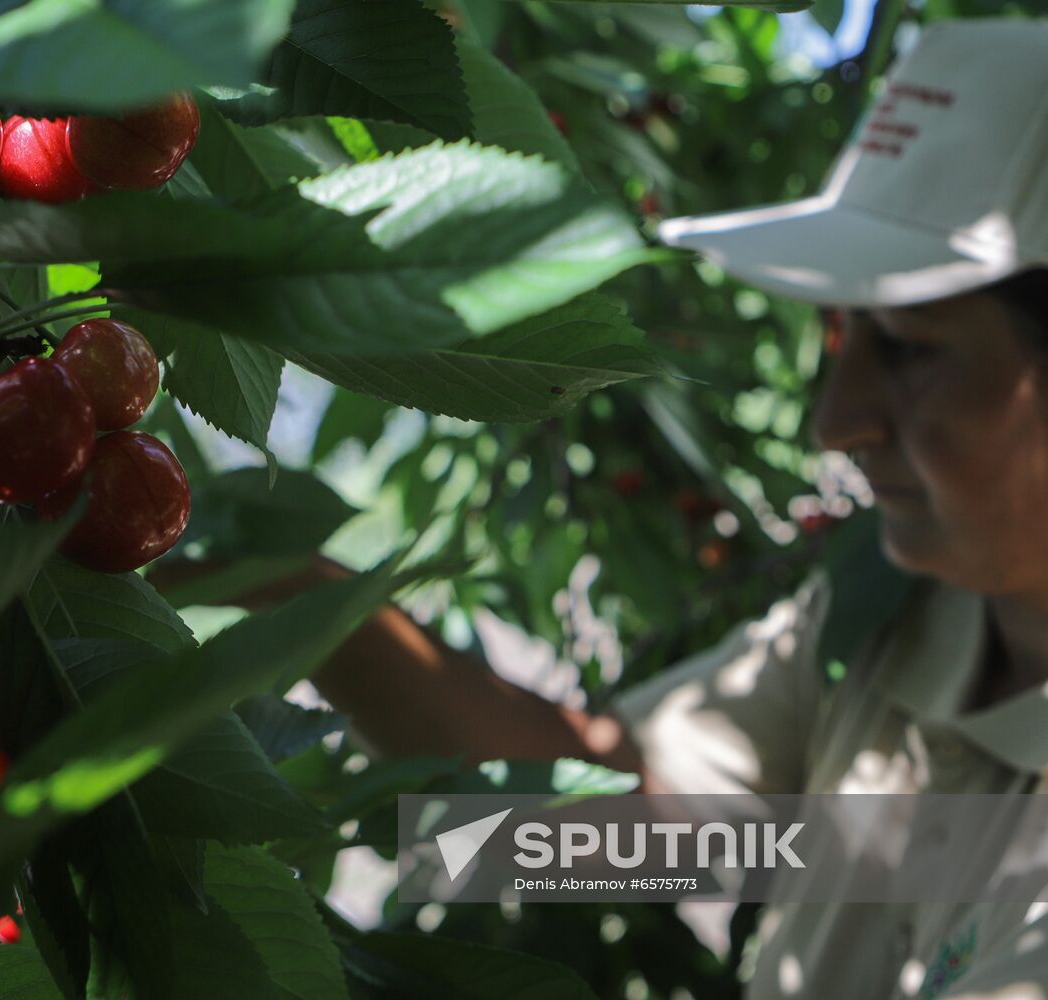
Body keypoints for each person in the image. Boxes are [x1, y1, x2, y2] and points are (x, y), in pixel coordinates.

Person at [285, 17, 1048, 1000]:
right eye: (844, 339)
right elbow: (586, 839)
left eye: (908, 348)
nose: (834, 420)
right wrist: (286, 595)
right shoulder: (890, 624)